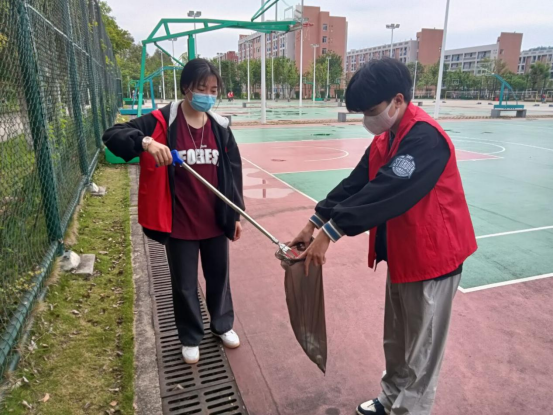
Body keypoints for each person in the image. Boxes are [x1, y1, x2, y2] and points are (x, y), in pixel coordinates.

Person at [290, 58, 477, 415]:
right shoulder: (387, 136)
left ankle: (409, 410)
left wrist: (330, 233)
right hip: (404, 254)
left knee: (421, 350)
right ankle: (390, 398)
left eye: (371, 111)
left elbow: (388, 190)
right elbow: (357, 183)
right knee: (396, 338)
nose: (367, 120)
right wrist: (316, 220)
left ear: (398, 101)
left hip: (433, 259)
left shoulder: (425, 139)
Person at [103, 59, 244, 365]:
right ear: (186, 88)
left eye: (213, 90)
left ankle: (222, 325)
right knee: (184, 283)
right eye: (201, 88)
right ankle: (191, 337)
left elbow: (233, 172)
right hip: (179, 221)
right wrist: (146, 142)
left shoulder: (220, 127)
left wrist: (235, 214)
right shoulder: (161, 120)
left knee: (219, 277)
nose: (208, 95)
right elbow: (112, 135)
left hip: (215, 220)